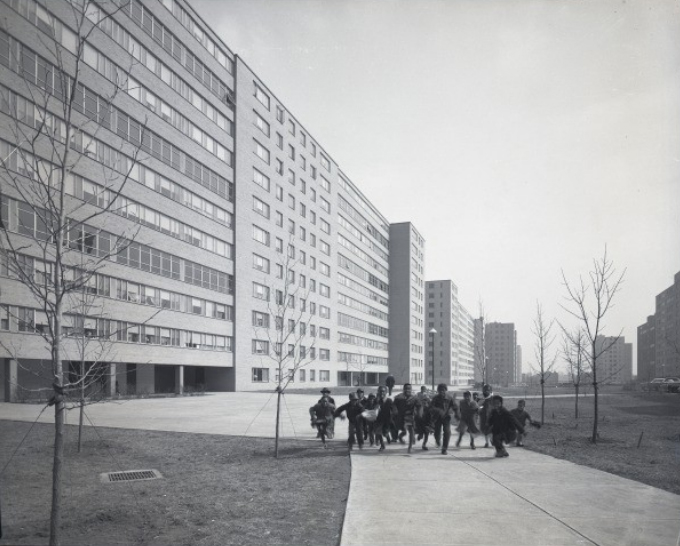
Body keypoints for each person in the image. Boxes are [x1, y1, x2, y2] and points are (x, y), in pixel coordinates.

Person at [429, 383, 459, 455]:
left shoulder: (449, 398)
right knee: (437, 433)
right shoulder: (435, 398)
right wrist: (438, 410)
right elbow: (431, 408)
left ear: (446, 390)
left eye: (443, 390)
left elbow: (455, 407)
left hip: (446, 417)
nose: (442, 392)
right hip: (437, 418)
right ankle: (438, 440)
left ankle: (444, 448)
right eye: (440, 390)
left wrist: (457, 414)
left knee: (447, 432)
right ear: (438, 391)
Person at [393, 383, 421, 453]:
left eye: (409, 389)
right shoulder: (398, 397)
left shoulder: (414, 398)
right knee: (403, 430)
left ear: (411, 390)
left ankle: (410, 447)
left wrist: (418, 413)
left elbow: (419, 406)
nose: (407, 390)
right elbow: (393, 405)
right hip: (401, 416)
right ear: (403, 389)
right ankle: (400, 437)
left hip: (410, 416)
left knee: (411, 430)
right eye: (405, 389)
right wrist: (395, 410)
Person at [372, 386, 396, 451]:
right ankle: (382, 445)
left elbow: (394, 409)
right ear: (378, 392)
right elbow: (374, 408)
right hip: (379, 419)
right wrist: (376, 407)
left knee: (385, 433)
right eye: (380, 391)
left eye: (383, 391)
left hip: (387, 420)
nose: (381, 393)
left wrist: (394, 413)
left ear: (386, 392)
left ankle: (387, 436)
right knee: (378, 431)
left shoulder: (389, 400)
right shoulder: (376, 400)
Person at [415, 386, 432, 450]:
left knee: (426, 434)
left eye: (426, 402)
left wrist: (431, 427)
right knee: (421, 434)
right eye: (423, 402)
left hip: (426, 425)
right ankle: (420, 435)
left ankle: (424, 445)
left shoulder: (428, 409)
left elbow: (431, 418)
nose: (424, 403)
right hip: (420, 424)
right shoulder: (418, 394)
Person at [478, 384, 494, 448]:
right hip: (483, 417)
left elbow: (495, 406)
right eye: (485, 390)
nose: (486, 391)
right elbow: (478, 406)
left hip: (491, 417)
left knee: (491, 430)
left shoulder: (492, 399)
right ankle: (487, 442)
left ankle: (492, 440)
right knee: (485, 430)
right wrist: (480, 408)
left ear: (490, 391)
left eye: (488, 390)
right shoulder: (481, 398)